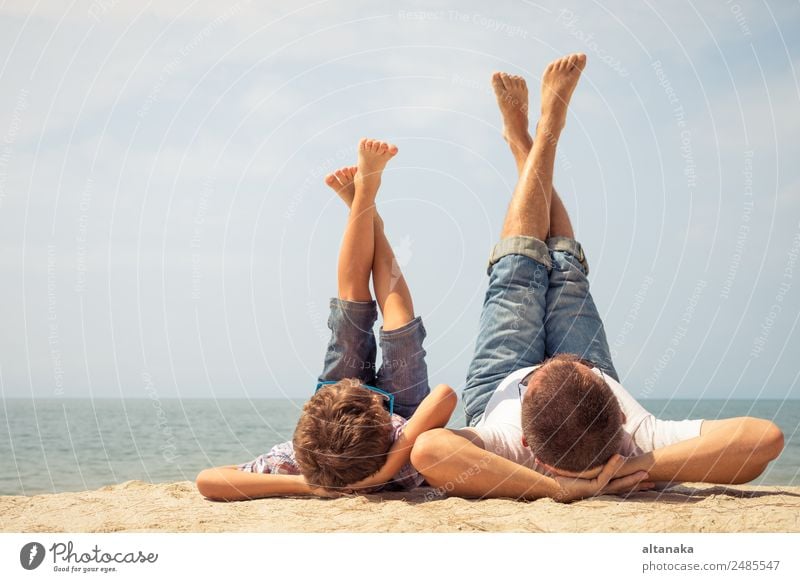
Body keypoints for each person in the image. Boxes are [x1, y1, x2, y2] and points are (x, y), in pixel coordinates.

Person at [410, 53, 784, 502]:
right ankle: (535, 137)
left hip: (499, 381)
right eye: (579, 368)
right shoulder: (638, 437)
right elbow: (764, 439)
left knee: (520, 265)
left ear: (524, 444)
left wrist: (555, 489)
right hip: (588, 415)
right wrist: (639, 465)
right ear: (619, 411)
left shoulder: (505, 444)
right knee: (564, 266)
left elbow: (430, 452)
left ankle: (528, 141)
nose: (551, 360)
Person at [196, 139, 457, 501]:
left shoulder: (305, 458)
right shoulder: (402, 458)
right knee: (398, 322)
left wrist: (314, 484)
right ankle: (367, 207)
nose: (373, 397)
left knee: (354, 303)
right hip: (392, 427)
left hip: (335, 413)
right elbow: (444, 396)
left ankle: (364, 200)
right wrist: (386, 466)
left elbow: (208, 481)